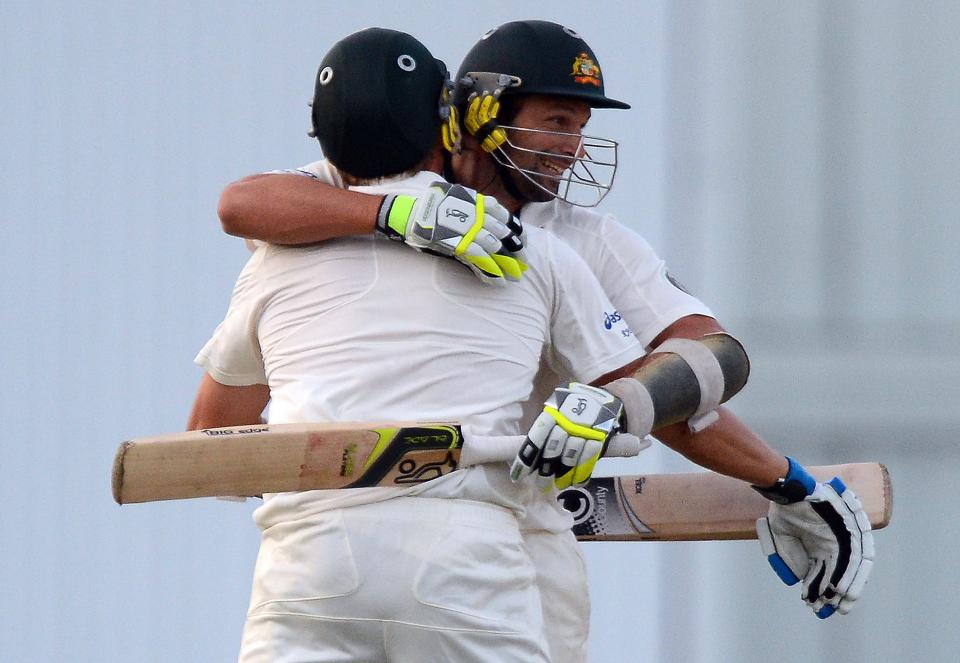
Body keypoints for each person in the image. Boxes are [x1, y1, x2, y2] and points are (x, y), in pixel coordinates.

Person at [211, 20, 875, 661]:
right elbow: (242, 202)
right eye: (558, 121)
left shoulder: (575, 240)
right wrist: (393, 215)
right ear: (480, 112)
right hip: (429, 527)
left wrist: (774, 475)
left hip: (518, 519)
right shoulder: (371, 179)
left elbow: (711, 356)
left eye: (582, 128)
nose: (574, 146)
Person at [190, 27, 651, 663]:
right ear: (451, 122)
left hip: (306, 564)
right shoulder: (533, 250)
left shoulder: (275, 256)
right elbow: (642, 385)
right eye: (558, 122)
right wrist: (618, 414)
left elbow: (213, 440)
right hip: (464, 555)